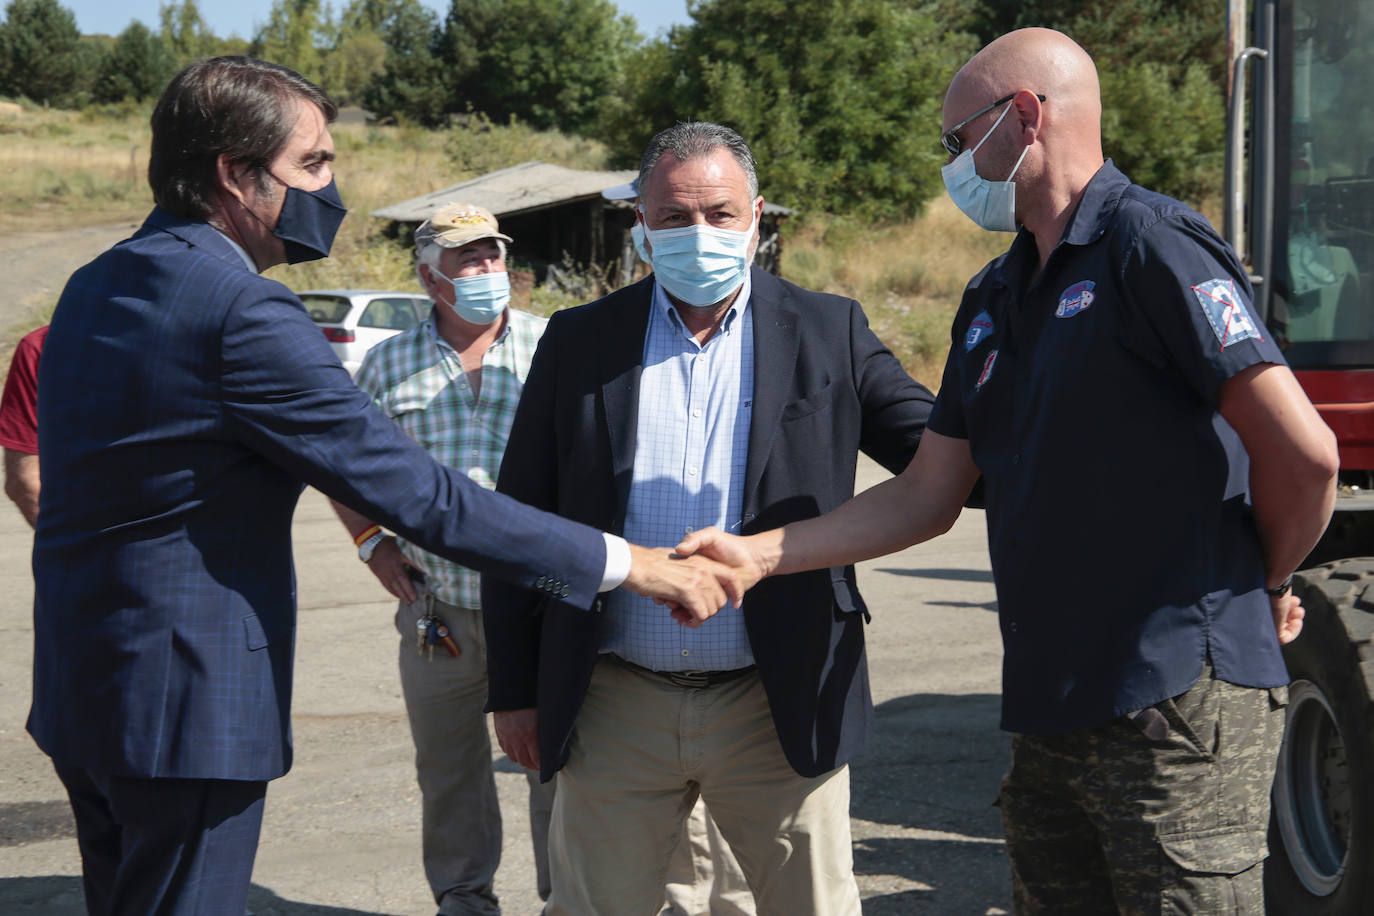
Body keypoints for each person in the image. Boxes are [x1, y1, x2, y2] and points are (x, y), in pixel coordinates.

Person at [28, 57, 739, 916]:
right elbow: (424, 498)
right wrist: (636, 566)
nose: (333, 187)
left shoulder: (99, 281)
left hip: (86, 684)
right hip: (185, 708)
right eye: (315, 164)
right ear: (235, 174)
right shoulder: (240, 311)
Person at [678, 29, 1340, 915]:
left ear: (1025, 115)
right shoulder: (994, 297)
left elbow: (1304, 453)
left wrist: (1263, 576)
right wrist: (759, 555)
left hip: (1176, 702)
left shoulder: (1151, 246)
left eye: (957, 141)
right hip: (1050, 710)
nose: (950, 167)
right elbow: (926, 494)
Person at [483, 121, 935, 915]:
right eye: (675, 218)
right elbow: (522, 517)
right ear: (642, 229)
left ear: (757, 215)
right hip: (615, 697)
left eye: (720, 214)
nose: (699, 234)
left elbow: (943, 458)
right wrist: (513, 688)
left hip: (777, 696)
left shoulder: (831, 331)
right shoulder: (578, 341)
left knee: (815, 906)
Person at [329, 201, 557, 915]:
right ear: (431, 278)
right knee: (451, 770)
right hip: (441, 612)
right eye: (469, 259)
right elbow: (340, 464)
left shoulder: (553, 346)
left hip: (543, 602)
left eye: (493, 255)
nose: (489, 270)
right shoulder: (385, 363)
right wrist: (373, 544)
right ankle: (463, 900)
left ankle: (569, 897)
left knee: (558, 765)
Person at [0, 323, 46, 527]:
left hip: (85, 545)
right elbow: (24, 481)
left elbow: (24, 482)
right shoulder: (40, 346)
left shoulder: (43, 344)